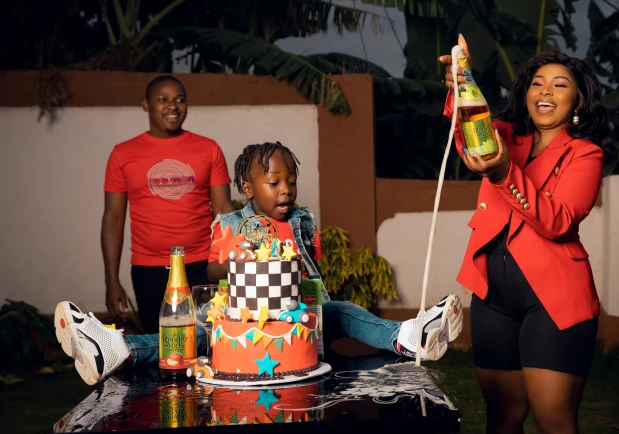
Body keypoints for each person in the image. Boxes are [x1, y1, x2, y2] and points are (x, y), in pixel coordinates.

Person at [55, 141, 464, 385]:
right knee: (192, 337)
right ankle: (113, 349)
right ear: (248, 188)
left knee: (343, 311)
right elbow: (212, 270)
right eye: (274, 183)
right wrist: (242, 261)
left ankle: (409, 336)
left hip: (301, 318)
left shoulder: (303, 221)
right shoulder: (230, 224)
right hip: (240, 319)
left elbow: (311, 270)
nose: (285, 190)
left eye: (291, 181)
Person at [438, 37, 614, 434]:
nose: (546, 90)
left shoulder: (585, 154)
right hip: (492, 298)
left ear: (579, 102)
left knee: (553, 420)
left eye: (560, 84)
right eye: (537, 82)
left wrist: (503, 174)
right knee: (502, 418)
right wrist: (459, 80)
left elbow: (558, 222)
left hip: (554, 300)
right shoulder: (503, 136)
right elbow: (466, 120)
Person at [102, 75, 235, 334]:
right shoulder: (123, 154)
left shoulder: (208, 149)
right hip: (148, 270)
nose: (172, 106)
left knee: (208, 343)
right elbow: (113, 218)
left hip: (201, 266)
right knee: (161, 347)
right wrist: (111, 280)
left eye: (179, 100)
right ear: (146, 105)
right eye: (163, 100)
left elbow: (223, 210)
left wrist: (231, 264)